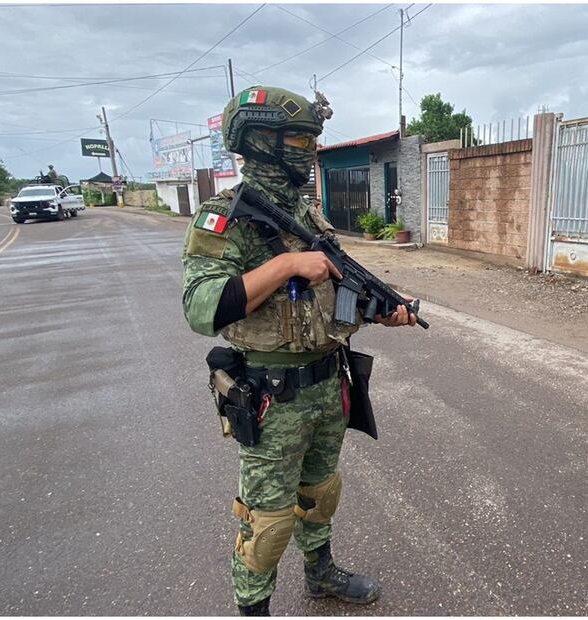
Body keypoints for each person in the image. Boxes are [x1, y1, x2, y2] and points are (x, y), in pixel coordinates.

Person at [182, 86, 418, 616]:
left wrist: (383, 307)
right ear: (257, 141)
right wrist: (286, 266)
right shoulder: (223, 218)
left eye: (311, 139)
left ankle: (320, 575)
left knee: (319, 492)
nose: (307, 150)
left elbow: (335, 300)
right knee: (266, 521)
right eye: (296, 137)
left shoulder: (310, 217)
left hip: (328, 385)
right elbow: (200, 309)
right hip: (272, 398)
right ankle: (253, 608)